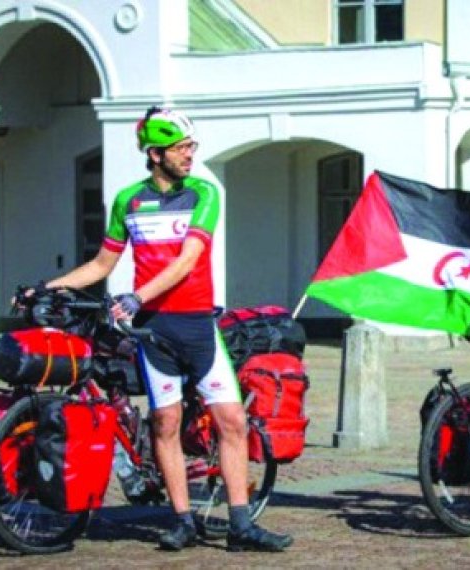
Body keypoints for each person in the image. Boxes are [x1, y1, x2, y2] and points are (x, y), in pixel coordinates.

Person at [44, 107, 293, 552]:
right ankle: (182, 520)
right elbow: (103, 264)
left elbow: (188, 260)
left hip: (197, 325)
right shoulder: (128, 201)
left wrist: (137, 296)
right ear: (155, 153)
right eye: (181, 148)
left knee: (231, 421)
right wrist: (47, 287)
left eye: (191, 146)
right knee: (165, 422)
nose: (189, 155)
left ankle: (241, 524)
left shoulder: (203, 193)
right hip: (153, 332)